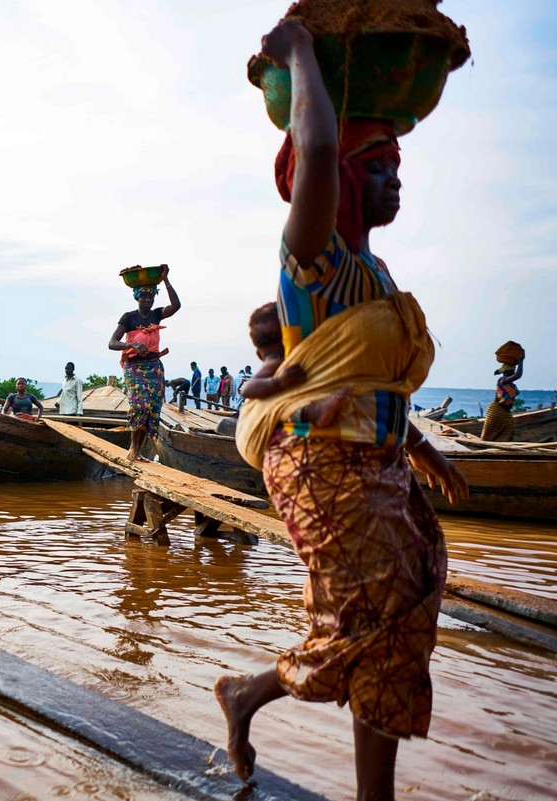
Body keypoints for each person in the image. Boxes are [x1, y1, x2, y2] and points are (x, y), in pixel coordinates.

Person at [220, 20, 469, 799]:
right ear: (343, 179)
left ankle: (367, 791)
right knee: (368, 614)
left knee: (405, 615)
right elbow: (317, 152)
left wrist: (422, 448)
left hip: (382, 461)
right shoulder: (314, 257)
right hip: (321, 462)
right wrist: (296, 50)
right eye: (382, 166)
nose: (397, 182)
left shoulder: (378, 273)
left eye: (398, 167)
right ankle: (249, 695)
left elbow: (374, 381)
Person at [109, 273, 181, 460]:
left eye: (151, 296)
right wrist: (132, 345)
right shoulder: (129, 317)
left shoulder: (156, 314)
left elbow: (176, 306)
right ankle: (133, 448)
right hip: (134, 367)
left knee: (152, 408)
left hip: (154, 366)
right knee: (139, 406)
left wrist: (165, 279)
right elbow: (112, 343)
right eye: (144, 296)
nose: (148, 299)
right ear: (137, 297)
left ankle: (139, 452)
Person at [240, 302, 347, 427]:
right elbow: (247, 389)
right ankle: (313, 413)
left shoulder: (279, 360)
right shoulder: (275, 362)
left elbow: (247, 389)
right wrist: (278, 382)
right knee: (278, 407)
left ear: (259, 354)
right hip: (291, 409)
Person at [481, 357, 523, 442]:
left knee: (507, 435)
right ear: (506, 372)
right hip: (497, 410)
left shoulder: (511, 384)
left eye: (513, 371)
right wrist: (521, 361)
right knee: (490, 437)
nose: (513, 372)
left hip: (506, 412)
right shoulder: (502, 380)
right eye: (512, 371)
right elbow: (518, 375)